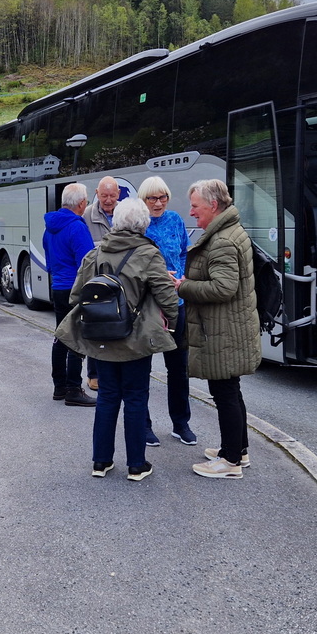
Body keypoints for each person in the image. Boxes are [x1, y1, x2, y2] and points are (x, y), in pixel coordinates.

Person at [56, 198, 179, 481]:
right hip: (136, 339)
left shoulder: (96, 253)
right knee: (135, 398)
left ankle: (101, 462)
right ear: (143, 224)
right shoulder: (148, 254)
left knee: (107, 397)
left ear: (116, 222)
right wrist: (170, 322)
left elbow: (76, 295)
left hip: (101, 337)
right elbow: (167, 298)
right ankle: (136, 465)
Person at [178, 179, 261, 480]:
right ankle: (238, 449)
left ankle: (230, 461)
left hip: (223, 330)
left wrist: (183, 286)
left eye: (195, 206)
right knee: (230, 390)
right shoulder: (229, 231)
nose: (191, 212)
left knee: (224, 392)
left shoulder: (222, 240)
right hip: (230, 327)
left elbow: (223, 288)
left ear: (213, 206)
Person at [139, 176, 197, 447]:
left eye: (163, 197)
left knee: (178, 367)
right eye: (152, 198)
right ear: (143, 200)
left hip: (177, 304)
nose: (158, 203)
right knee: (142, 367)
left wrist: (182, 276)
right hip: (148, 307)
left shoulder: (175, 220)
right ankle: (143, 425)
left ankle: (181, 423)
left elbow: (184, 252)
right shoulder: (139, 225)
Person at [43, 182, 96, 406]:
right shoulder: (77, 227)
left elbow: (49, 261)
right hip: (75, 288)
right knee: (76, 338)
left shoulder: (49, 227)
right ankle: (74, 388)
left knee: (60, 336)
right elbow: (87, 263)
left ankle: (59, 386)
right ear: (82, 203)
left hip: (58, 286)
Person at [83, 176, 122, 389]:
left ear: (119, 194)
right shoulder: (87, 215)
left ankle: (116, 374)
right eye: (104, 195)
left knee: (118, 328)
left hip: (121, 283)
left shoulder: (125, 213)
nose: (108, 200)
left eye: (112, 195)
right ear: (97, 193)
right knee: (96, 329)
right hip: (96, 283)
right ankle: (94, 375)